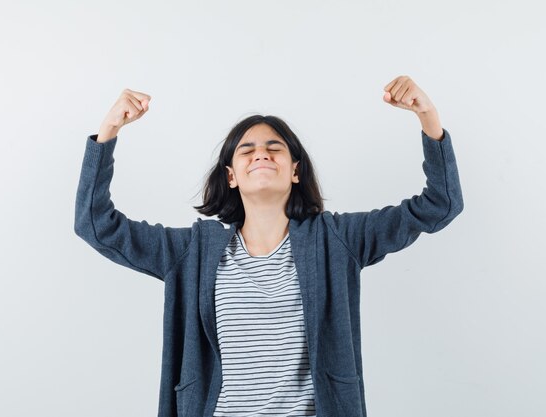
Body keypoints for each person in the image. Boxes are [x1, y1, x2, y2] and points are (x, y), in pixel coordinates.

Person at [74, 75, 464, 417]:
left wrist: (427, 118)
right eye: (247, 150)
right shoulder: (192, 251)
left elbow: (440, 204)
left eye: (275, 148)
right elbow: (96, 225)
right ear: (231, 176)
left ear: (295, 170)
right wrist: (108, 131)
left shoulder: (336, 240)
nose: (261, 152)